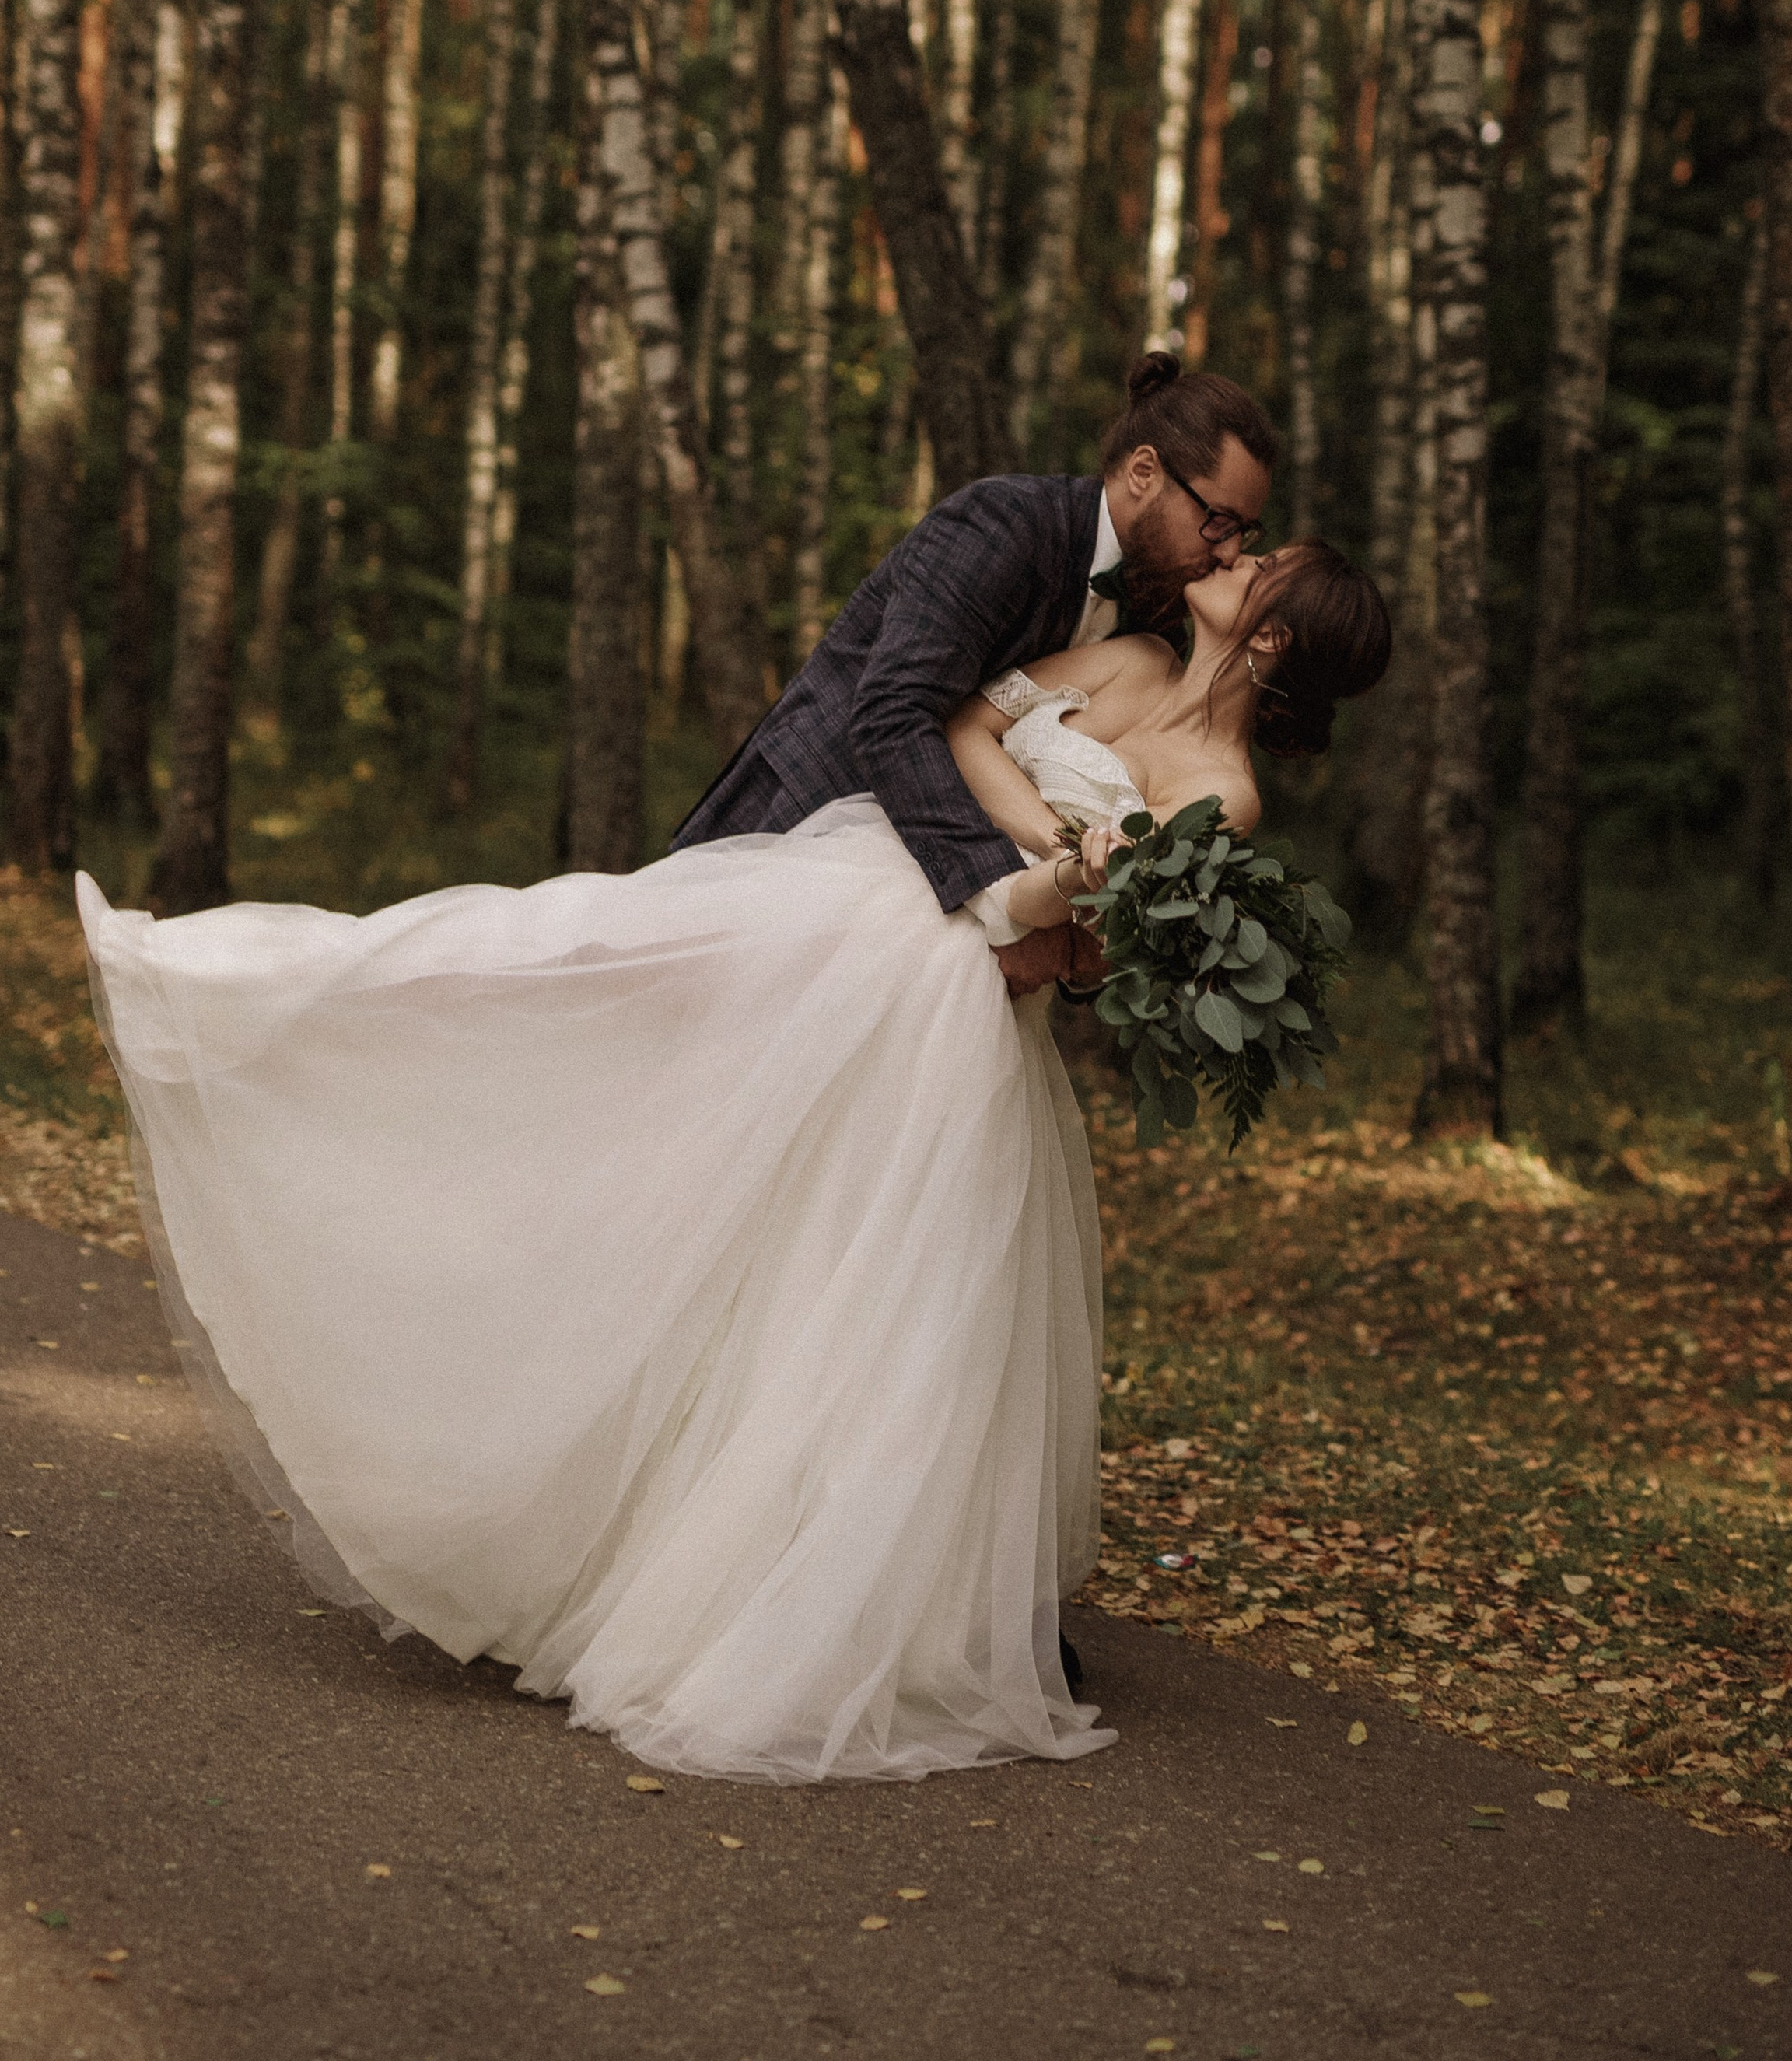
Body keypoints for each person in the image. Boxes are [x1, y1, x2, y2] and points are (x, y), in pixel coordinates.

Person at [75, 359, 1384, 1789]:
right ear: (1147, 483)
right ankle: (227, 995)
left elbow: (1106, 943)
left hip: (945, 1000)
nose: (1234, 550)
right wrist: (1035, 878)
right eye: (1230, 524)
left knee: (859, 1283)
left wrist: (1071, 924)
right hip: (838, 885)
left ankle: (844, 1588)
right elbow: (926, 718)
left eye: (1254, 552)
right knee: (558, 983)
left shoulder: (1212, 764)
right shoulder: (1040, 561)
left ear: (1267, 644)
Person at [674, 352, 1279, 1000]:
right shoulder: (1004, 524)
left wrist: (1078, 937)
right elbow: (890, 714)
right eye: (1217, 520)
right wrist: (1007, 910)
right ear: (1143, 471)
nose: (1229, 551)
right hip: (804, 832)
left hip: (933, 951)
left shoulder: (1159, 617)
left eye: (1244, 531)